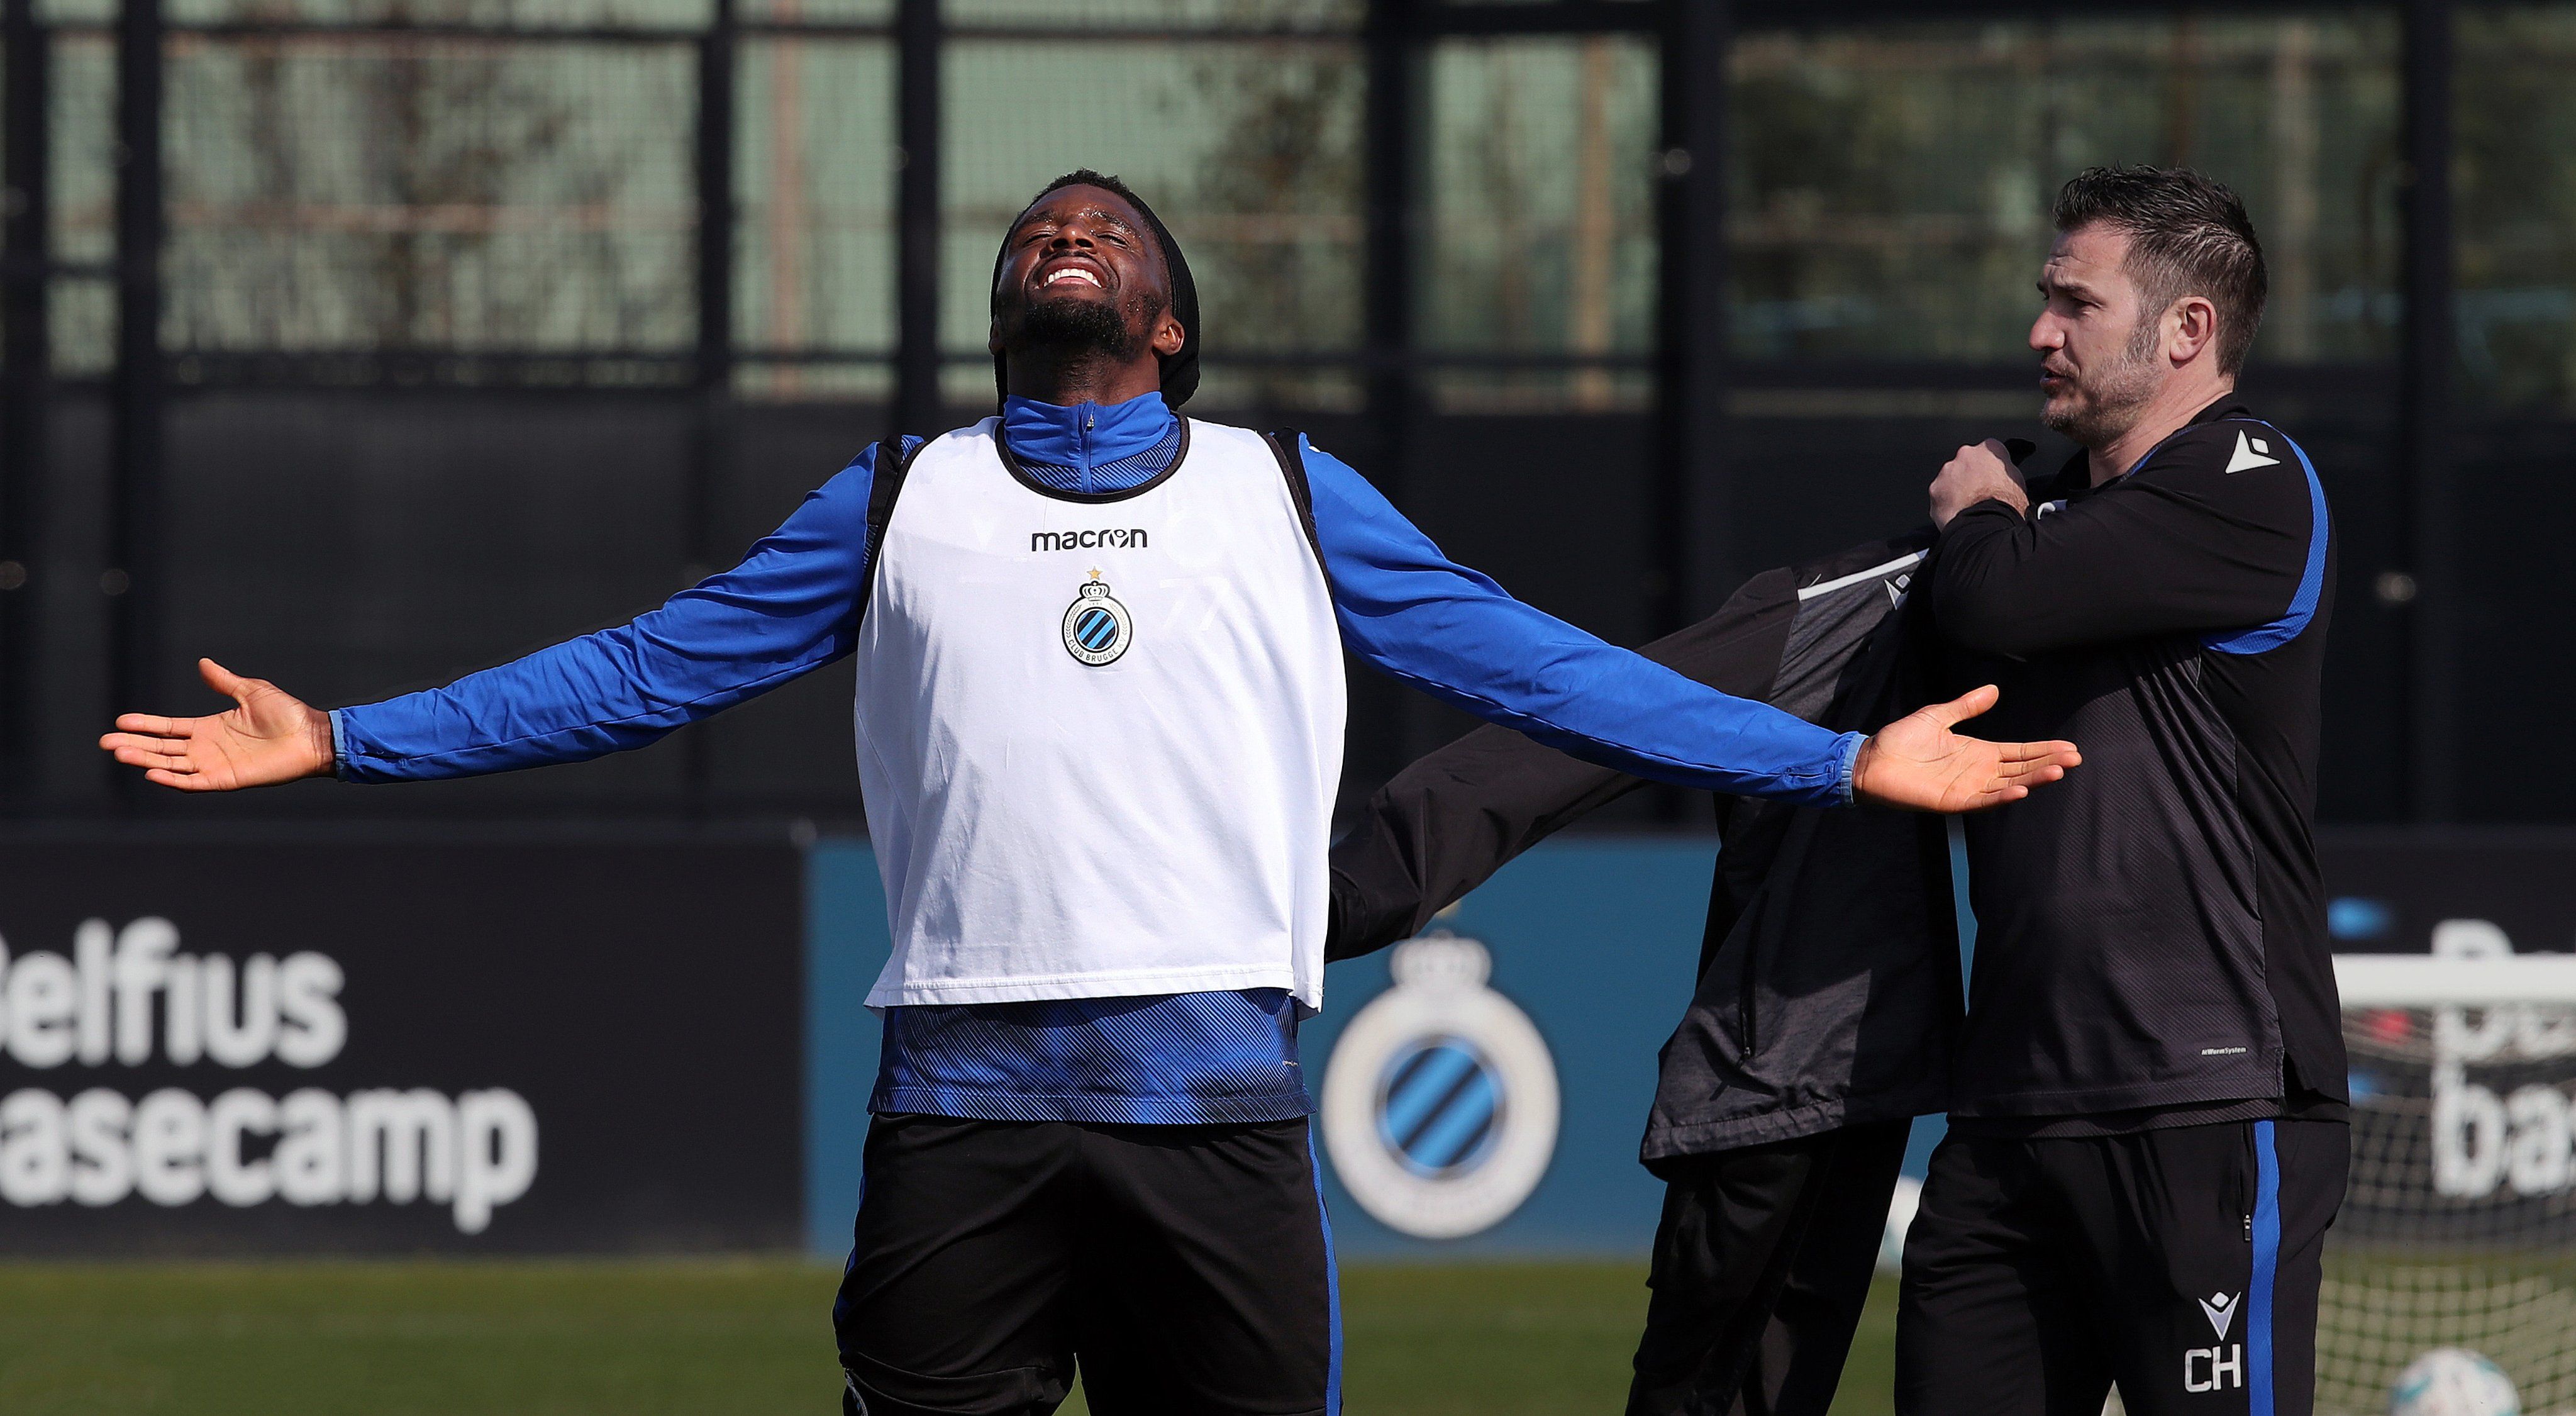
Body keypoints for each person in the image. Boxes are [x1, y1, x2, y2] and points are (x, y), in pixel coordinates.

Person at [101, 169, 2079, 1416]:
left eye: (1114, 225)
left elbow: (1554, 672)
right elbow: (636, 671)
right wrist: (351, 732)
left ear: (1171, 326)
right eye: (1043, 225)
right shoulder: (894, 498)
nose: (1072, 221)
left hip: (1212, 1121)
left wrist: (1834, 753)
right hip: (953, 1117)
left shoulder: (1291, 496)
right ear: (1006, 316)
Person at [1330, 527, 1962, 1416]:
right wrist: (1353, 888)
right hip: (1805, 1074)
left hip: (2058, 1080)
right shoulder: (1907, 577)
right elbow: (1589, 704)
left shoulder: (2192, 543)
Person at [1899, 166, 2343, 1416]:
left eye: (2073, 302)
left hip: (2204, 1103)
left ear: (2186, 329)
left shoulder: (2249, 477)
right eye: (2042, 300)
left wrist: (1977, 517)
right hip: (2010, 1113)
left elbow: (1993, 592)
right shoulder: (2036, 522)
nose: (2038, 331)